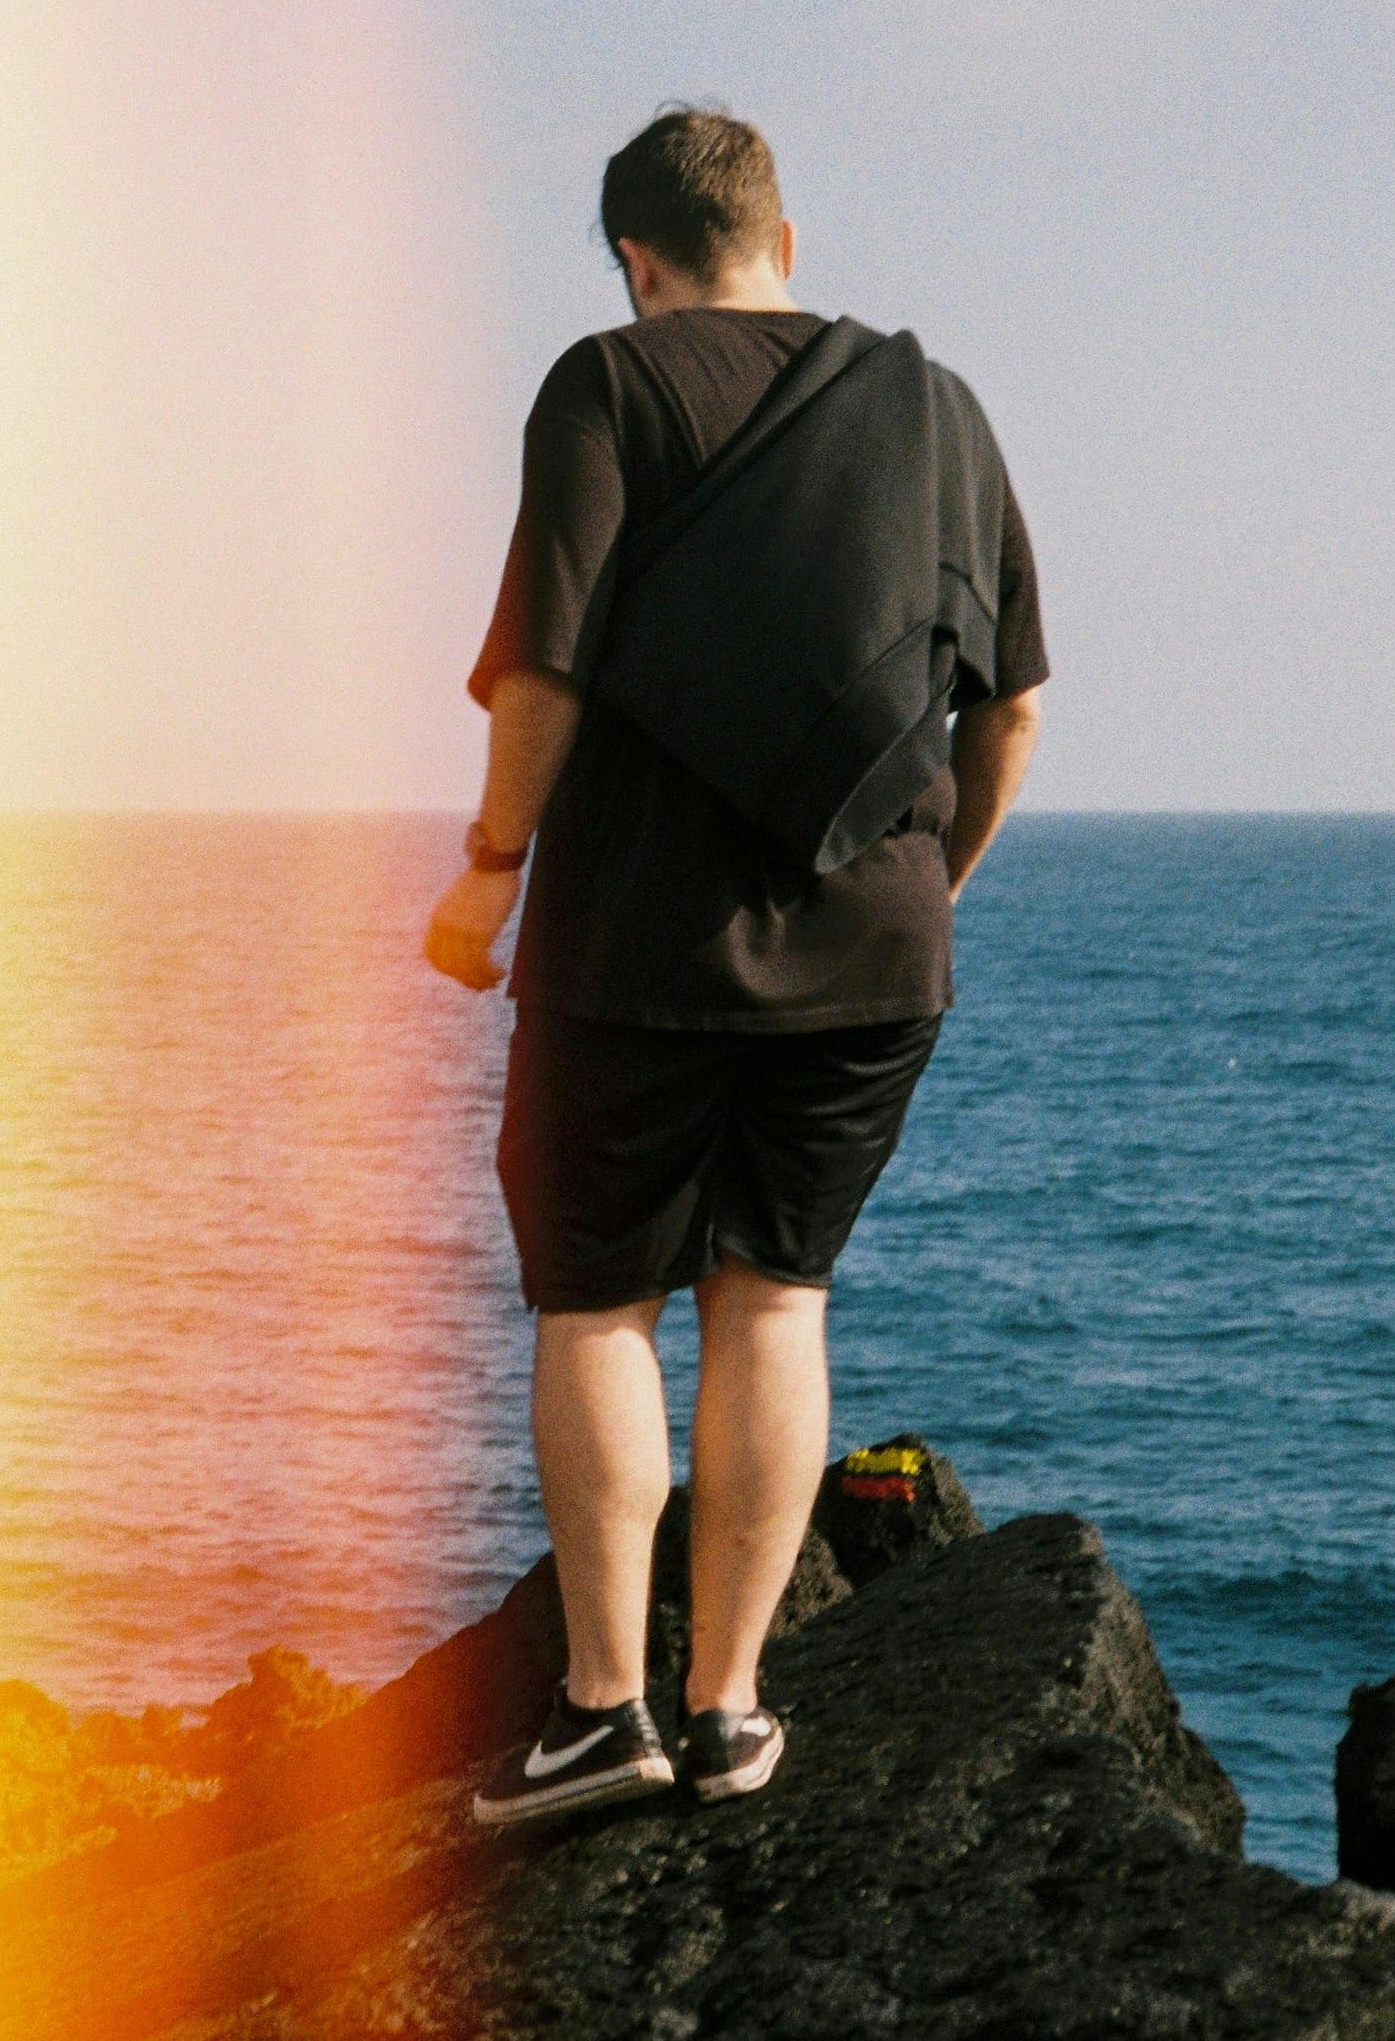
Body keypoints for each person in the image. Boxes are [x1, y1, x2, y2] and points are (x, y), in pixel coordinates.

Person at [425, 108, 1045, 1825]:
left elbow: (541, 670)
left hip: (634, 947)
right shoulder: (936, 405)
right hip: (878, 952)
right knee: (776, 1291)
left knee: (597, 1299)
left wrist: (487, 871)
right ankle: (730, 1715)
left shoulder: (609, 387)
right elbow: (1014, 708)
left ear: (637, 261)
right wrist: (932, 886)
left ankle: (603, 1712)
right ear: (780, 230)